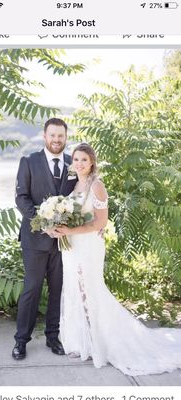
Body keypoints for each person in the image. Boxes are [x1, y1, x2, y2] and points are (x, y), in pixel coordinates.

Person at [56, 143, 181, 376]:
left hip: (88, 245)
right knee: (75, 288)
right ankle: (82, 341)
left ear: (92, 162)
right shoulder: (73, 185)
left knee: (90, 289)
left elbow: (99, 224)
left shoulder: (97, 186)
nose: (79, 163)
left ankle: (101, 342)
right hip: (71, 247)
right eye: (76, 159)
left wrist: (69, 231)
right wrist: (57, 228)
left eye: (84, 159)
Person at [12, 118, 77, 360]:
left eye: (61, 136)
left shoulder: (74, 163)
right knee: (31, 290)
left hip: (64, 243)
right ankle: (21, 341)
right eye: (53, 135)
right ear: (45, 136)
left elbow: (78, 200)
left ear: (65, 137)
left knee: (59, 290)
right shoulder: (29, 162)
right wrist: (44, 224)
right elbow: (21, 198)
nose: (57, 140)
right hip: (35, 241)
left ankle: (53, 337)